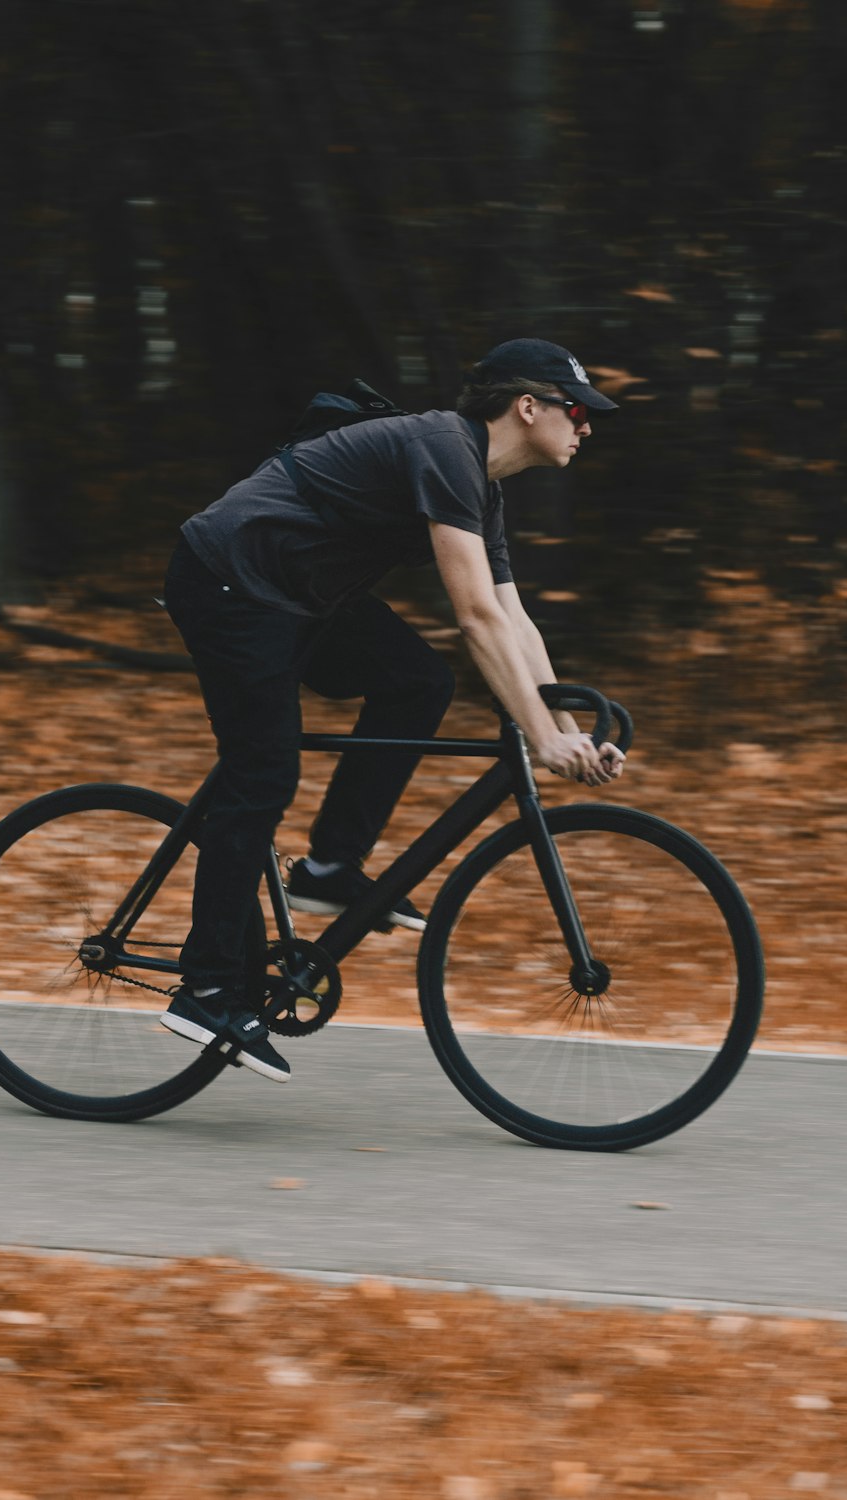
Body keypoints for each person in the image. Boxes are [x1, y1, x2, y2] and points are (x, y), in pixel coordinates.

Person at [160, 337, 627, 1082]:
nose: (587, 426)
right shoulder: (445, 446)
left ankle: (329, 866)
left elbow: (515, 620)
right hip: (230, 581)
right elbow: (474, 615)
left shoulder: (481, 487)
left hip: (301, 598)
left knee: (419, 683)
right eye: (576, 409)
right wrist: (539, 736)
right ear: (527, 407)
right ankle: (209, 986)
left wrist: (567, 731)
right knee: (264, 772)